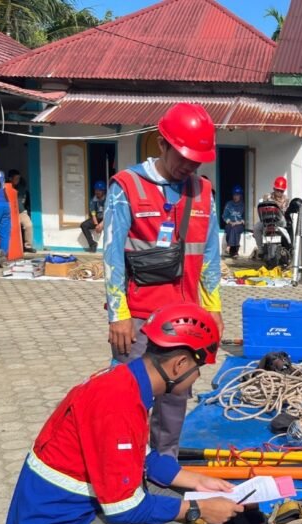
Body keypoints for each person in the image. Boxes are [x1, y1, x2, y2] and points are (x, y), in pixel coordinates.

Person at [5, 303, 242, 524]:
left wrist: (197, 482)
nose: (196, 379)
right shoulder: (118, 405)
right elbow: (123, 510)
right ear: (180, 365)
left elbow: (143, 458)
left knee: (179, 495)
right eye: (198, 370)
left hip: (55, 518)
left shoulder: (125, 381)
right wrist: (197, 510)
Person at [103, 102, 223, 466]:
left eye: (197, 160)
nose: (189, 166)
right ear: (162, 144)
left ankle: (163, 465)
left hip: (185, 318)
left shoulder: (203, 192)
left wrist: (214, 309)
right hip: (138, 319)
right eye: (184, 157)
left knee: (176, 397)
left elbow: (211, 256)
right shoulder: (126, 187)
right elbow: (111, 255)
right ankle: (120, 466)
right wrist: (118, 315)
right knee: (127, 395)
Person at [253, 176, 289, 252]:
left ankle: (287, 246)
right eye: (277, 190)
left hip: (279, 222)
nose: (279, 192)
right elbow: (261, 205)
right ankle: (260, 249)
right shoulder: (267, 196)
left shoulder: (286, 200)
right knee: (256, 227)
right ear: (274, 189)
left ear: (284, 191)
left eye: (281, 191)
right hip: (266, 221)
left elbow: (286, 212)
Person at [8, 169, 35, 252]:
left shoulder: (21, 187)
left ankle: (28, 246)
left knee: (28, 225)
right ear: (10, 178)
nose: (17, 180)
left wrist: (24, 211)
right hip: (8, 212)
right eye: (16, 178)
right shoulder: (5, 186)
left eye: (18, 178)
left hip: (20, 211)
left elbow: (20, 200)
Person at [81, 181, 107, 253]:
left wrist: (101, 225)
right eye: (96, 190)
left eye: (99, 190)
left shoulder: (107, 199)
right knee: (84, 225)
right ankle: (92, 244)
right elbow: (93, 214)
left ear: (104, 191)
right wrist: (96, 225)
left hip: (107, 218)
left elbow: (108, 213)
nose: (97, 192)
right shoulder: (93, 200)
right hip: (98, 218)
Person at [223, 185, 245, 257]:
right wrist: (230, 222)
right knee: (230, 228)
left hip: (239, 225)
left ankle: (229, 247)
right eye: (234, 195)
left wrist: (238, 222)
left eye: (237, 195)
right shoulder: (229, 204)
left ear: (240, 195)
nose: (235, 196)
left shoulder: (243, 205)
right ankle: (235, 251)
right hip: (230, 223)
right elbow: (224, 216)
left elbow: (245, 218)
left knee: (235, 228)